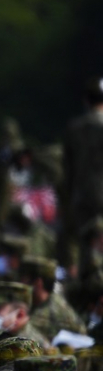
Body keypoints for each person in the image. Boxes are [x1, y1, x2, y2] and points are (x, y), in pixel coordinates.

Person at [60, 77, 103, 274]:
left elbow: (67, 168)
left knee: (85, 246)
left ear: (86, 100)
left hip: (80, 194)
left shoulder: (74, 127)